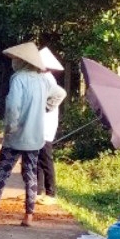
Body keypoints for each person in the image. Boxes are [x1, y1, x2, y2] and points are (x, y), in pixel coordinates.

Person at [0, 43, 65, 227]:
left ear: (22, 61)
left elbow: (13, 105)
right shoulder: (43, 79)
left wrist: (10, 127)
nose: (13, 62)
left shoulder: (18, 78)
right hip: (36, 137)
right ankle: (29, 215)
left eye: (15, 59)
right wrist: (47, 107)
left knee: (1, 174)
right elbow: (61, 93)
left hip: (16, 137)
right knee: (30, 175)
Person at [37, 47, 65, 205]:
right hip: (41, 125)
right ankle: (38, 191)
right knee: (38, 159)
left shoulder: (46, 78)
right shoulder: (43, 78)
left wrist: (46, 107)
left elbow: (61, 93)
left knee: (46, 159)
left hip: (45, 125)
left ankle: (51, 193)